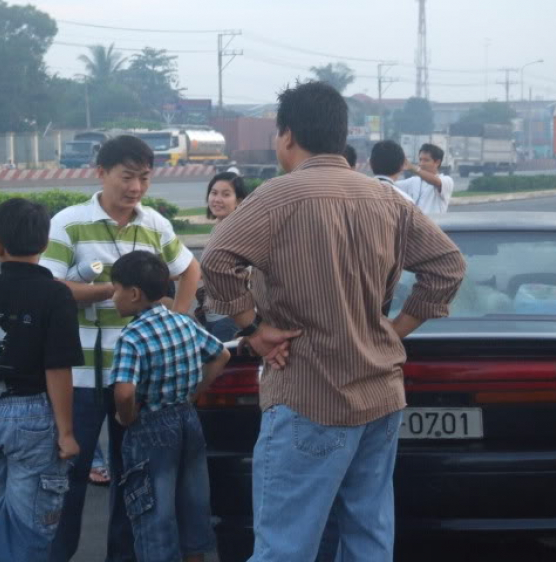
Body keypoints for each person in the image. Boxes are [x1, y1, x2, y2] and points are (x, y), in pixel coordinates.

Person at [200, 81, 466, 561]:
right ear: (341, 133)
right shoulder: (386, 199)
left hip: (308, 391)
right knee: (367, 537)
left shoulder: (278, 196)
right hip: (380, 396)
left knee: (285, 546)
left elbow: (216, 259)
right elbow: (448, 265)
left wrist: (252, 329)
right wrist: (395, 329)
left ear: (286, 136)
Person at [39, 135, 200, 562]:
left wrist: (177, 320)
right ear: (101, 173)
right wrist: (111, 291)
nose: (135, 188)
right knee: (68, 476)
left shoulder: (155, 224)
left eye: (144, 178)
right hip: (82, 377)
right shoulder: (70, 222)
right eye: (127, 177)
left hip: (138, 379)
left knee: (133, 478)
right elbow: (47, 287)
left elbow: (190, 269)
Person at [0, 198, 84, 561]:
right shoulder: (56, 295)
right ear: (44, 244)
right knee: (31, 526)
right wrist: (67, 432)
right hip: (32, 418)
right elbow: (58, 369)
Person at [109, 251, 230, 562]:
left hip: (150, 427)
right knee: (193, 506)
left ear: (134, 293)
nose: (113, 297)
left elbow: (124, 392)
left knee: (154, 513)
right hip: (187, 420)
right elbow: (221, 355)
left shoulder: (131, 336)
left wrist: (127, 416)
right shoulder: (182, 322)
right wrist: (194, 393)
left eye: (115, 289)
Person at [195, 171, 249, 341]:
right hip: (214, 316)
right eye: (214, 193)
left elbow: (215, 269)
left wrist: (180, 272)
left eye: (226, 194)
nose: (217, 199)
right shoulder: (220, 227)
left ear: (238, 201)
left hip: (229, 317)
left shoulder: (237, 231)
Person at [396, 143, 455, 215]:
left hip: (435, 224)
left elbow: (436, 181)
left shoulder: (447, 180)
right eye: (420, 159)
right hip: (415, 225)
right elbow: (390, 185)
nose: (421, 163)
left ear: (437, 162)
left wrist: (413, 168)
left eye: (426, 160)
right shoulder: (413, 181)